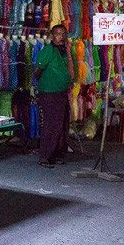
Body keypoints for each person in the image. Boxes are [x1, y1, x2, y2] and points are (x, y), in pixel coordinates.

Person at [34, 24, 72, 168]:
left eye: (63, 34)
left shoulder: (64, 51)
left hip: (61, 92)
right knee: (51, 125)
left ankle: (57, 155)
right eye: (57, 34)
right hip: (50, 93)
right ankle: (45, 156)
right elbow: (37, 71)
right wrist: (48, 83)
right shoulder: (48, 50)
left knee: (62, 125)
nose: (61, 37)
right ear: (52, 36)